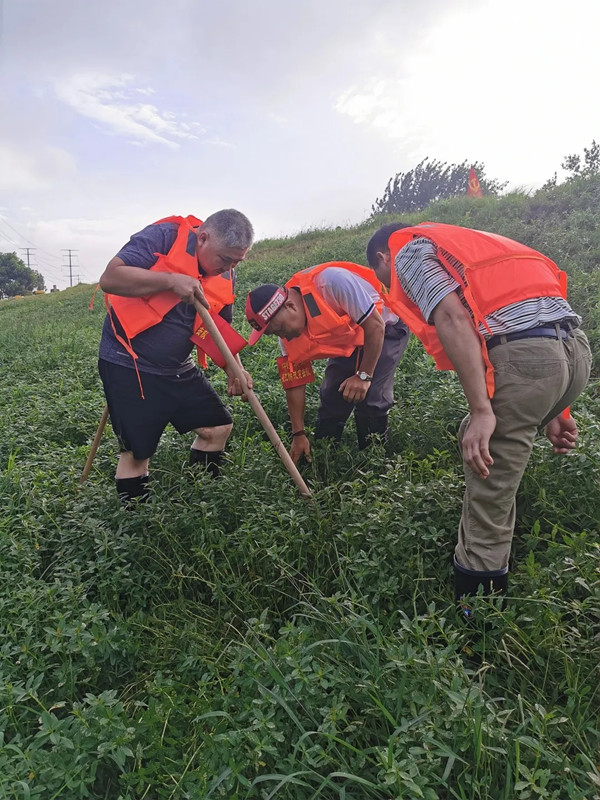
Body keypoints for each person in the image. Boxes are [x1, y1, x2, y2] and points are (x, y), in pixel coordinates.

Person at [366, 221, 591, 605]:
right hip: (575, 354)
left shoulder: (409, 252)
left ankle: (478, 624)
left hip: (527, 362)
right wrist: (557, 408)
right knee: (474, 437)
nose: (389, 285)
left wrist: (483, 410)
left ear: (383, 257)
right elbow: (541, 315)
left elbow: (452, 319)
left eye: (380, 276)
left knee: (489, 498)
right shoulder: (480, 245)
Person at [98, 210, 254, 503]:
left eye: (236, 261)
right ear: (203, 238)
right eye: (224, 259)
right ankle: (138, 529)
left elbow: (218, 326)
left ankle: (200, 506)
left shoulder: (227, 270)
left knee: (218, 427)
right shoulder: (164, 237)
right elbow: (110, 278)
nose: (228, 268)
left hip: (178, 367)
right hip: (129, 361)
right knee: (137, 451)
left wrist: (234, 368)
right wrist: (170, 281)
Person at [245, 261, 410, 463]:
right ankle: (324, 459)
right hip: (349, 340)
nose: (282, 335)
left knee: (371, 398)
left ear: (290, 305)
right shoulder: (287, 338)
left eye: (279, 328)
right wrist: (298, 434)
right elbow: (294, 383)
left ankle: (373, 463)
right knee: (332, 395)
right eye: (275, 333)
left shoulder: (331, 283)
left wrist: (363, 376)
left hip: (385, 329)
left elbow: (375, 326)